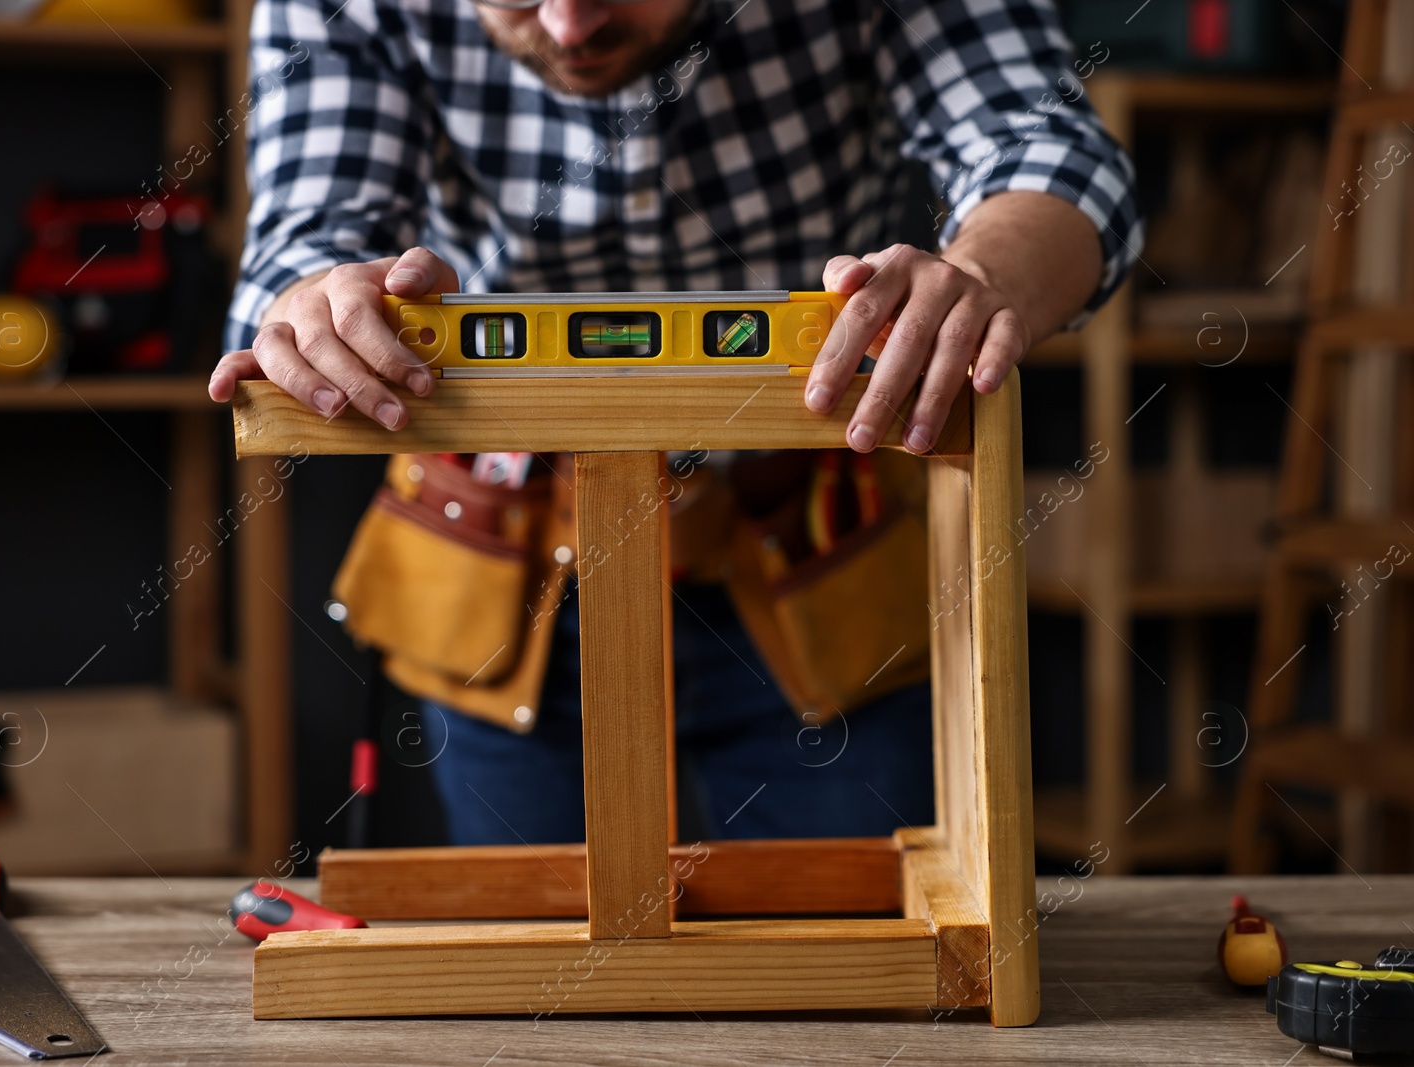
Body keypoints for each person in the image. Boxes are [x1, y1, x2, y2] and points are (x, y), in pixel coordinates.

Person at [211, 0, 1140, 846]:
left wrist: (981, 282)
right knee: (548, 1004)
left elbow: (1047, 148)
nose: (570, 26)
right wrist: (318, 303)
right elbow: (307, 231)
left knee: (855, 1009)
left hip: (820, 557)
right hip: (506, 570)